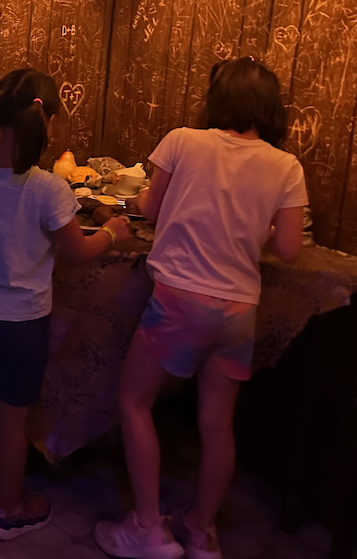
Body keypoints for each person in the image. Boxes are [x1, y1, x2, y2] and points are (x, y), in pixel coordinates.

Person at [94, 58, 307, 559]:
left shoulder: (183, 140)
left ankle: (147, 528)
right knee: (217, 425)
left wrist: (143, 203)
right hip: (238, 310)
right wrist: (252, 227)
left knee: (134, 401)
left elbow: (150, 208)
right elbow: (290, 247)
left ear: (218, 99)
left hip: (181, 302)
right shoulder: (286, 166)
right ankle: (200, 531)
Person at [0, 68, 130, 541]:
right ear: (47, 122)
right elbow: (78, 251)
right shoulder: (49, 188)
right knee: (12, 420)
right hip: (21, 324)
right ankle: (7, 509)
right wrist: (112, 232)